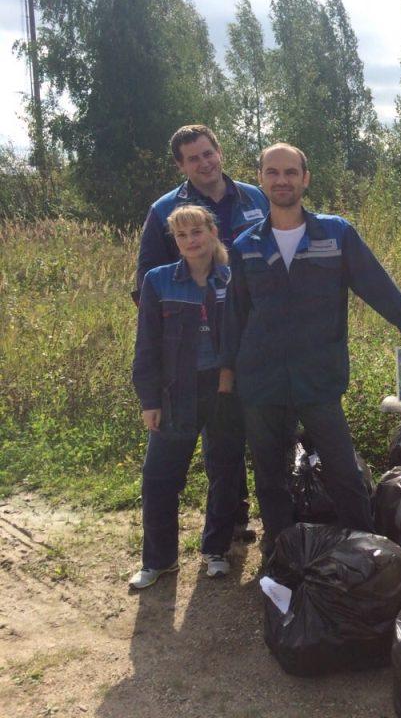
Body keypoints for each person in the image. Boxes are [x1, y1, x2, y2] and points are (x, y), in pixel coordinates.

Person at [221, 143, 401, 551]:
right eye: (272, 172)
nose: (282, 180)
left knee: (343, 469)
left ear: (305, 178)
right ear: (260, 178)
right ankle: (281, 551)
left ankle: (367, 554)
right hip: (262, 379)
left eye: (291, 172)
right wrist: (226, 376)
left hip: (318, 376)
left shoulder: (336, 234)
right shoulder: (245, 246)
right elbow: (235, 313)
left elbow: (376, 285)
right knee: (269, 473)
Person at [135, 124, 267, 540]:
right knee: (211, 440)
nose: (204, 163)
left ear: (220, 152)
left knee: (232, 436)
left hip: (251, 339)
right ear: (181, 165)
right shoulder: (163, 211)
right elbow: (148, 283)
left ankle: (233, 518)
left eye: (208, 153)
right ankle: (221, 529)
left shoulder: (255, 197)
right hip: (192, 350)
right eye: (193, 158)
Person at [129, 205, 245, 589]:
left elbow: (246, 334)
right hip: (176, 392)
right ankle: (159, 560)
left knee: (225, 470)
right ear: (175, 242)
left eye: (197, 232)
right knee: (160, 477)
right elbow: (146, 344)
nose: (191, 241)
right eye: (181, 235)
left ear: (213, 233)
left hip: (226, 390)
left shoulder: (233, 277)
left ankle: (216, 550)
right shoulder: (158, 281)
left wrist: (233, 375)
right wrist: (149, 400)